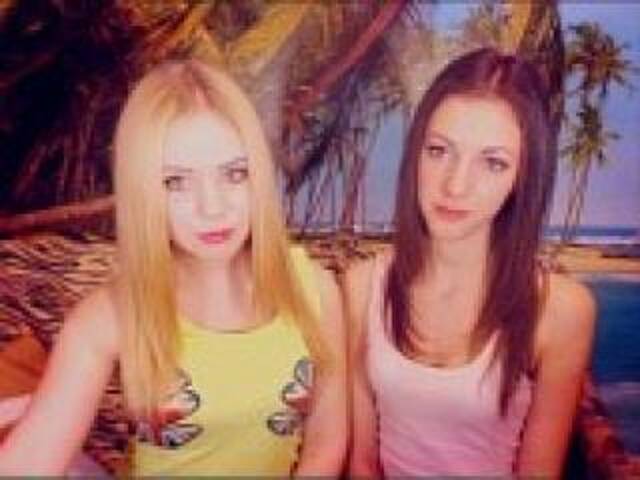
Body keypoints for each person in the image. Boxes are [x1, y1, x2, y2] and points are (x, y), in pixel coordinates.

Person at [0, 58, 347, 476]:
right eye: (176, 182)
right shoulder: (111, 314)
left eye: (234, 173)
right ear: (143, 191)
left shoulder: (315, 290)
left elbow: (327, 441)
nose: (212, 207)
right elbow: (29, 462)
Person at [346, 47, 595, 478]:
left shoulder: (560, 310)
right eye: (439, 151)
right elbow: (362, 463)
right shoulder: (363, 286)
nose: (456, 185)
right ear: (416, 153)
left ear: (522, 178)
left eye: (493, 163)